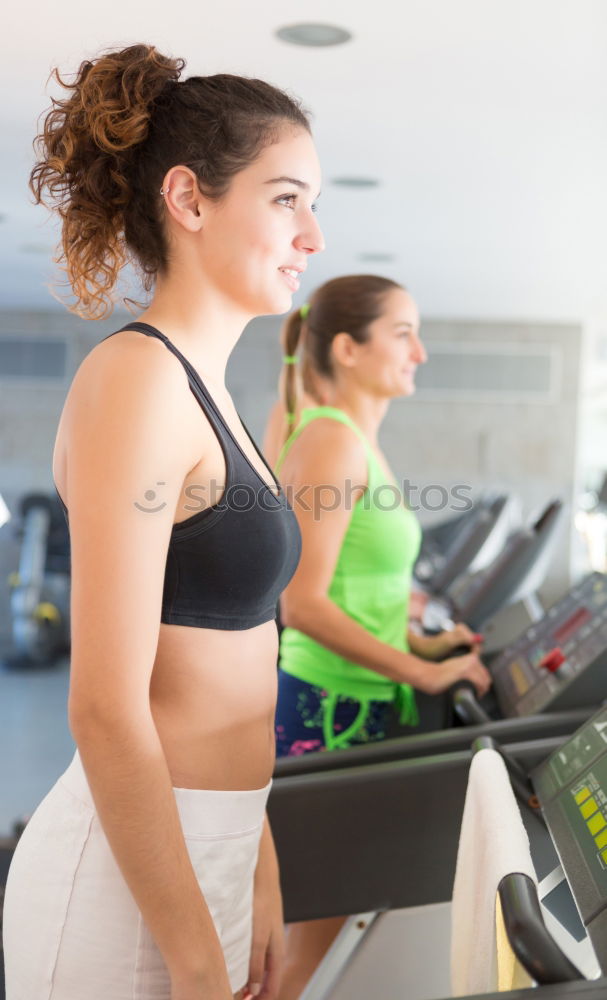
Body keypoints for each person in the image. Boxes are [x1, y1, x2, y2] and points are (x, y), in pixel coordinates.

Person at [2, 43, 324, 1000]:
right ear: (189, 200)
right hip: (128, 876)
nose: (312, 235)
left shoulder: (213, 394)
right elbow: (105, 705)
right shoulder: (139, 381)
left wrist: (258, 861)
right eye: (286, 198)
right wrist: (191, 955)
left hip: (213, 850)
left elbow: (245, 657)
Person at [266, 276, 492, 998]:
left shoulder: (354, 440)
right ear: (346, 348)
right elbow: (299, 604)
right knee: (309, 945)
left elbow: (352, 593)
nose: (419, 351)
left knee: (324, 937)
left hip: (353, 703)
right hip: (325, 709)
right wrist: (423, 676)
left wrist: (421, 648)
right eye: (402, 333)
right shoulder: (332, 442)